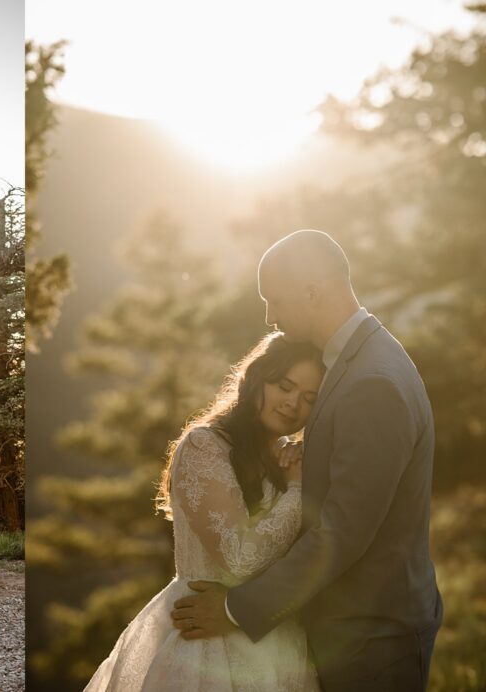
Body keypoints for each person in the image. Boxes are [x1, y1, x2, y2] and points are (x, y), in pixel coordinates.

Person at [171, 230, 442, 691]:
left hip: (372, 638)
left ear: (312, 293)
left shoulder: (372, 381)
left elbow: (345, 528)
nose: (269, 317)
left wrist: (237, 608)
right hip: (348, 633)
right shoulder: (356, 362)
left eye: (274, 300)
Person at [86, 332, 323, 690]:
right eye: (284, 386)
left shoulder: (291, 458)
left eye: (309, 398)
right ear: (257, 379)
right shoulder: (205, 446)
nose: (293, 403)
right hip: (205, 640)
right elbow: (238, 559)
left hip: (278, 640)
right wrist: (297, 491)